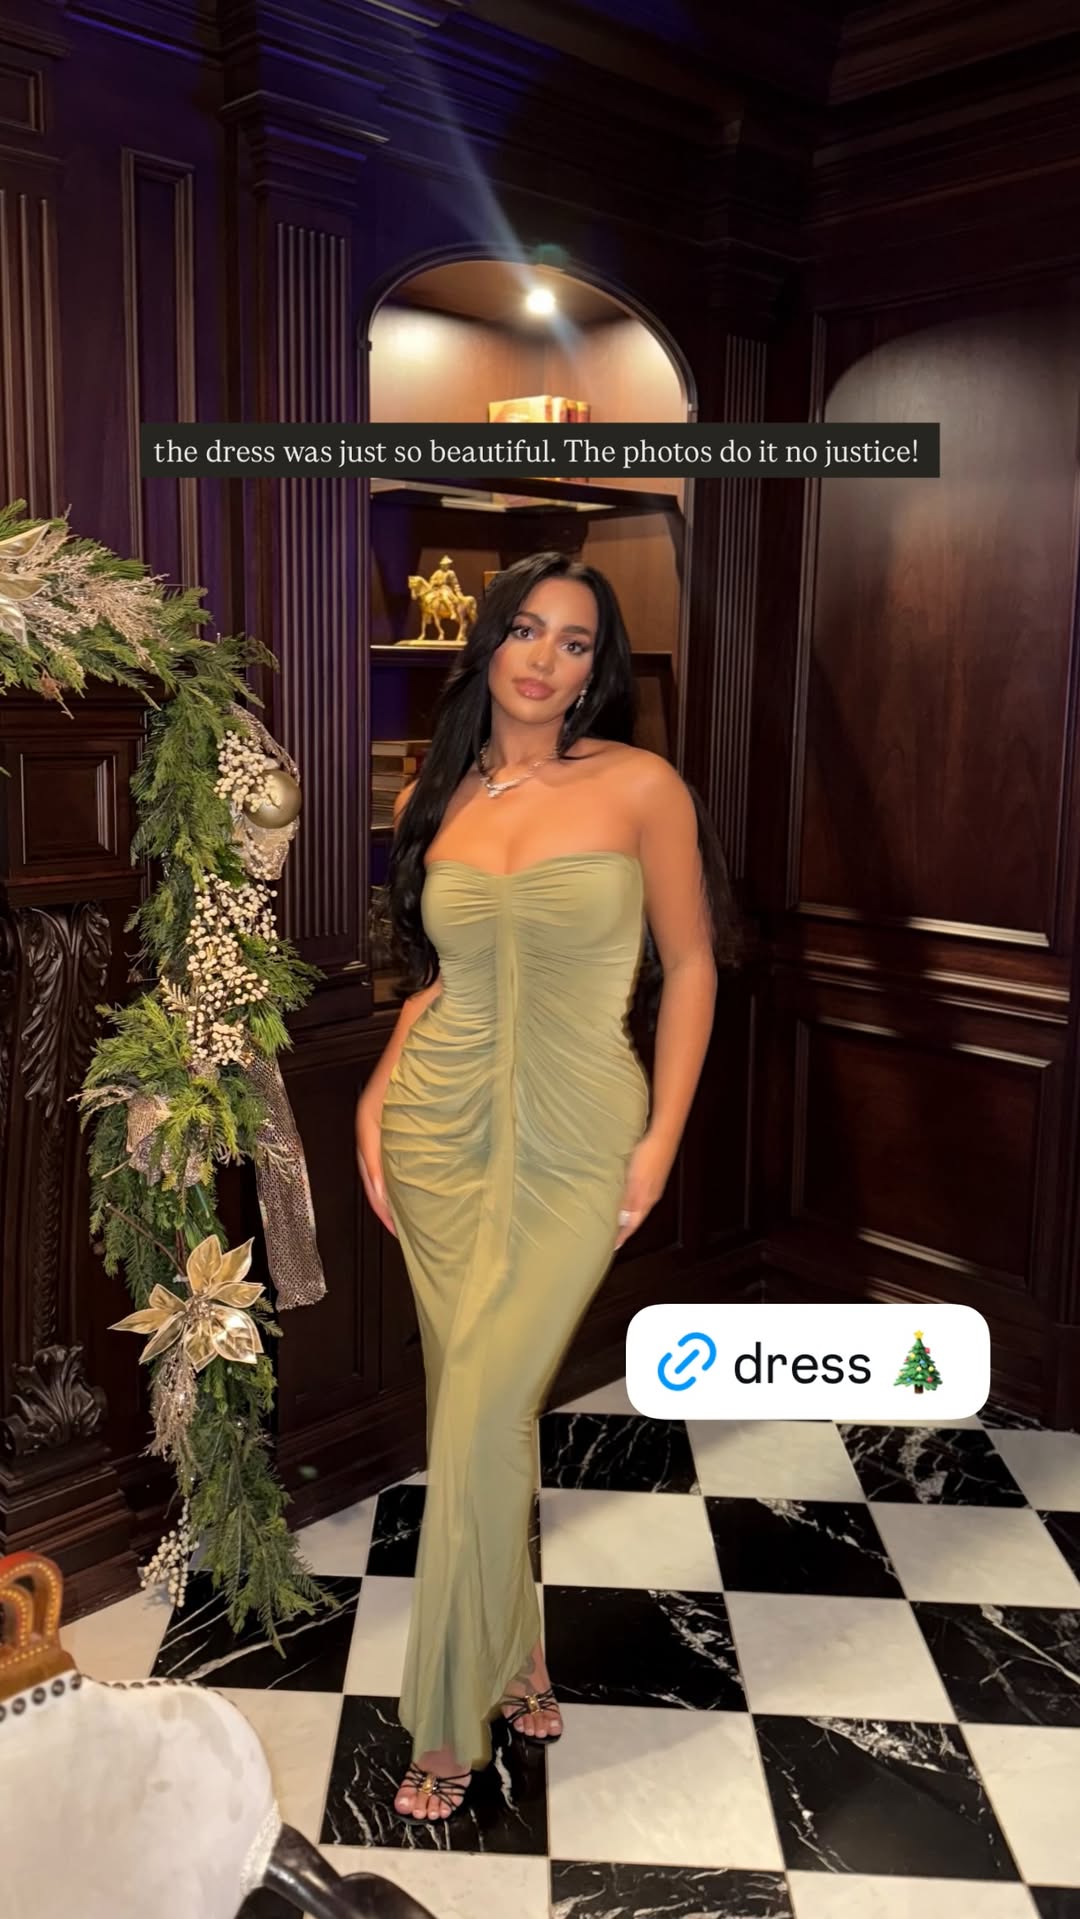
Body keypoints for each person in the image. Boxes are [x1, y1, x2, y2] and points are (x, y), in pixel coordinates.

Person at [354, 550, 738, 1826]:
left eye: (576, 642)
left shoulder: (641, 786)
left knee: (483, 1402)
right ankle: (515, 1660)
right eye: (527, 629)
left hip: (580, 1133)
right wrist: (377, 1089)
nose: (545, 658)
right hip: (439, 1128)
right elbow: (438, 975)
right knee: (480, 1406)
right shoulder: (443, 785)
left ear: (595, 671)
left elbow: (691, 965)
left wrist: (662, 1136)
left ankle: (442, 1719)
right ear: (490, 643)